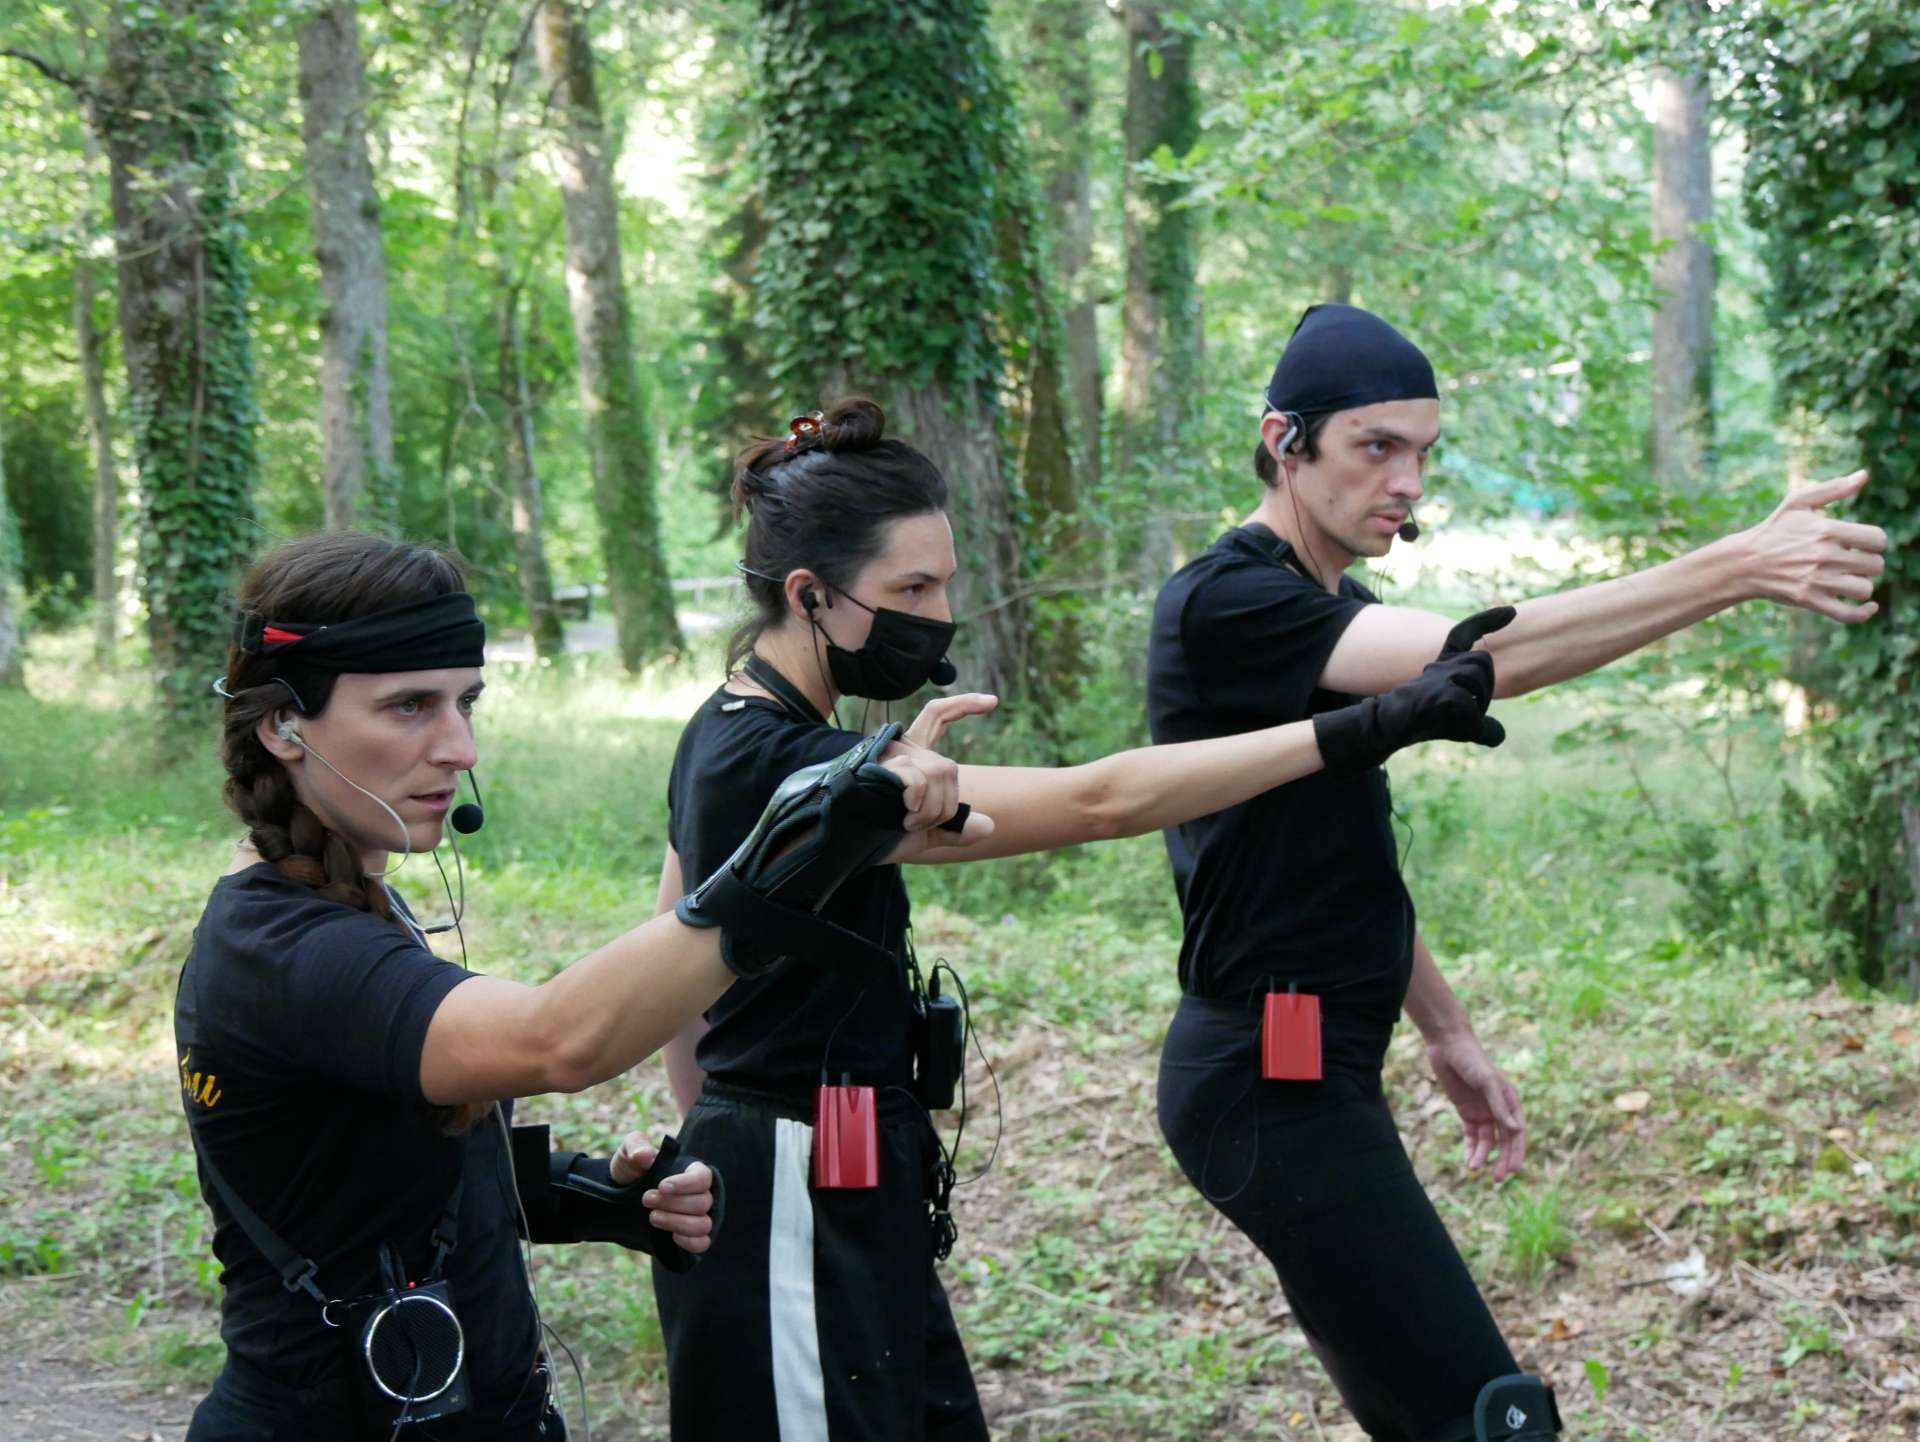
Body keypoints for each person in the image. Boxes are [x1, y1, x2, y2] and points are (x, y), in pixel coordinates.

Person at [649, 396, 1513, 1442]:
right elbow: (1106, 798)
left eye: (947, 581)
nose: (938, 611)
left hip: (838, 1177)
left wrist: (707, 1145)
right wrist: (1357, 725)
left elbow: (678, 967)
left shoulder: (741, 730)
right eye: (910, 588)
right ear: (808, 594)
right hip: (791, 1180)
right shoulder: (783, 764)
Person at [1146, 302, 1890, 1442]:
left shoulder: (1329, 607)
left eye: (1424, 450)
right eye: (1375, 447)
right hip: (1261, 1074)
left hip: (1314, 1062)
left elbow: (1345, 860)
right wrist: (1738, 564)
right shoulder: (1228, 603)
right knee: (1493, 1418)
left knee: (1431, 1414)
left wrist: (1442, 1026)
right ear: (1284, 439)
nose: (1407, 479)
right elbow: (1486, 656)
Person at [176, 531, 967, 1441]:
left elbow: (352, 1173)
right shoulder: (276, 946)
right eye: (408, 708)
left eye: (465, 702)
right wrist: (797, 847)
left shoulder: (353, 904)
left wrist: (583, 1195)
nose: (460, 747)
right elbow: (558, 1040)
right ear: (282, 726)